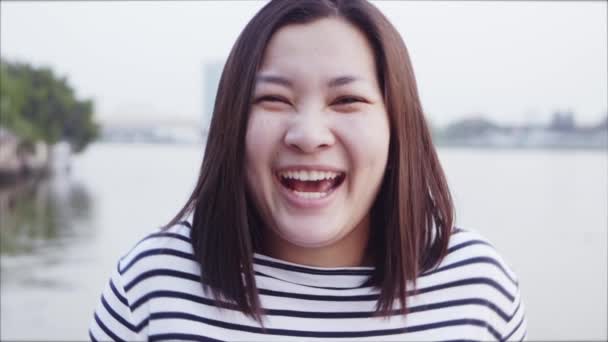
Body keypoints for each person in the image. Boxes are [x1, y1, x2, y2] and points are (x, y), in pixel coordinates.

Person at [89, 0, 527, 340]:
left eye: (347, 101)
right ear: (231, 124)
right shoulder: (153, 283)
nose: (308, 134)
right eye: (274, 100)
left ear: (397, 127)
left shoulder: (476, 288)